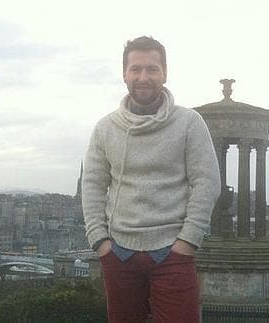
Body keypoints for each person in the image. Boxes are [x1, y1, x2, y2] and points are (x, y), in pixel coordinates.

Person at [82, 36, 220, 323]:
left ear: (164, 73)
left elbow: (206, 182)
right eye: (136, 69)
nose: (143, 77)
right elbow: (93, 185)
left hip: (173, 252)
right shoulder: (106, 128)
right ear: (125, 74)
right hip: (118, 252)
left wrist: (187, 242)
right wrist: (100, 242)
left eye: (152, 69)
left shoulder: (189, 122)